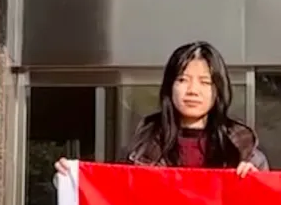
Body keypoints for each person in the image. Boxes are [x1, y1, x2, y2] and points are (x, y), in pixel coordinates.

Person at [55, 41, 266, 176]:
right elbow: (110, 199)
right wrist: (72, 179)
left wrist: (257, 183)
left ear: (218, 90)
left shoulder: (243, 152)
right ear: (169, 87)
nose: (193, 90)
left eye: (205, 82)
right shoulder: (141, 150)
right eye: (183, 80)